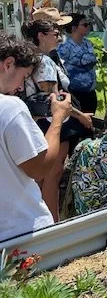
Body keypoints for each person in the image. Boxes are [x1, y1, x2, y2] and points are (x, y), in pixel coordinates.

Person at [22, 13, 94, 222]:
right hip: (51, 121)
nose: (59, 36)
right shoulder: (43, 61)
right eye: (55, 33)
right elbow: (55, 99)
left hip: (42, 119)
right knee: (53, 172)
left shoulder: (38, 58)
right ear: (41, 36)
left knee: (45, 175)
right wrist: (80, 116)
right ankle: (52, 221)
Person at [0, 33, 72, 241]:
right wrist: (57, 119)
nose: (21, 87)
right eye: (24, 76)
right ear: (9, 64)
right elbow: (40, 169)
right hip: (22, 232)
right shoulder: (10, 108)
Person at [57, 13, 98, 113]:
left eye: (88, 24)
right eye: (85, 25)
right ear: (74, 27)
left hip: (90, 91)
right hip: (74, 92)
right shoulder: (64, 46)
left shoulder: (88, 43)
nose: (88, 26)